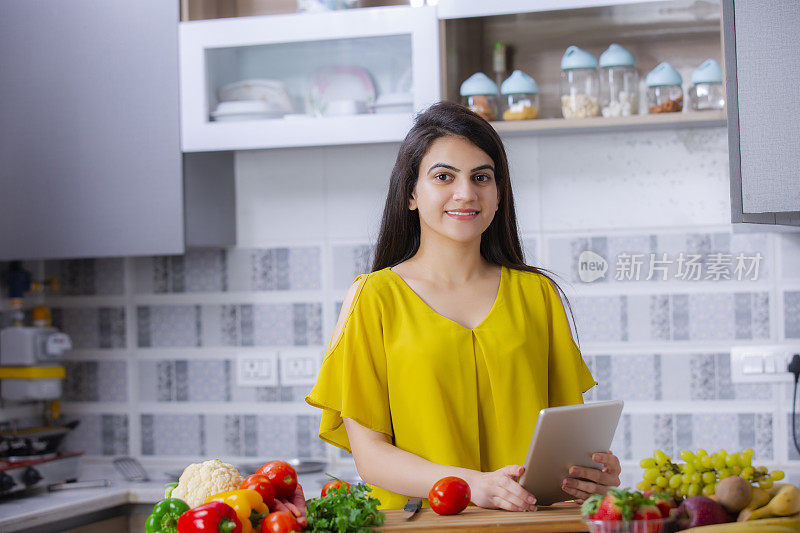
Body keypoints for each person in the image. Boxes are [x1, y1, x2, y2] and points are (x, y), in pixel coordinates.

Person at [305, 101, 621, 511]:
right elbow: (371, 457)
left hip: (527, 525)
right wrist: (470, 485)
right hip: (423, 524)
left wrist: (589, 474)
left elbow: (560, 446)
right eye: (443, 176)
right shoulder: (373, 297)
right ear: (411, 195)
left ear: (498, 194)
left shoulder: (538, 294)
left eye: (481, 177)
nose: (466, 193)